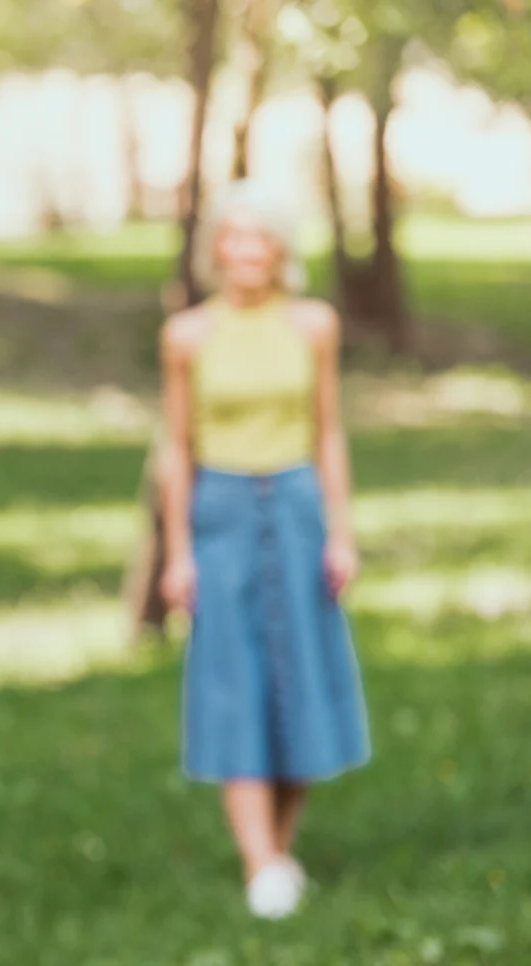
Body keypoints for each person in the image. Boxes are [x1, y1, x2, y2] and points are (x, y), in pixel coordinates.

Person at [157, 180, 370, 920]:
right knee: (234, 681)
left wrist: (341, 532)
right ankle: (260, 863)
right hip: (220, 513)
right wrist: (177, 551)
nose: (246, 250)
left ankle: (280, 852)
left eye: (260, 235)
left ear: (280, 248)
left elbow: (329, 431)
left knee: (298, 677)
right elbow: (176, 448)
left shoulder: (313, 324)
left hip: (297, 506)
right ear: (214, 247)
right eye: (233, 235)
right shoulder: (187, 335)